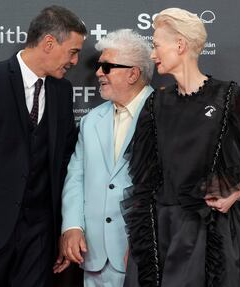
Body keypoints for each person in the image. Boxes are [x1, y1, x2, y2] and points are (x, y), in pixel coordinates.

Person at [0, 5, 86, 287]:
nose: (76, 60)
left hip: (40, 237)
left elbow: (64, 164)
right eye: (72, 51)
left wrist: (61, 230)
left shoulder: (62, 90)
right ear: (48, 43)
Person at [122, 8, 240, 287]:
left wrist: (235, 192)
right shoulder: (155, 103)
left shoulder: (228, 95)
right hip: (161, 229)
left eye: (157, 45)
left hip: (208, 229)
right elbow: (143, 179)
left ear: (180, 45)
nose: (152, 54)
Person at [53, 29, 154, 286]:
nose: (98, 73)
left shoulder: (165, 114)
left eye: (107, 67)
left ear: (133, 73)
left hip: (146, 256)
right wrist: (72, 226)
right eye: (99, 66)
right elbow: (77, 176)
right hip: (95, 258)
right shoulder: (90, 121)